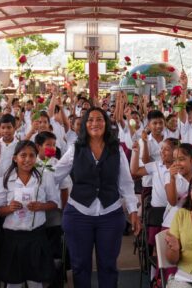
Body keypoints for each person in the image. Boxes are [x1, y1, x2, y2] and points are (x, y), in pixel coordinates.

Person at [54, 106, 140, 288]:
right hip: (78, 213)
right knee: (80, 266)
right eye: (90, 120)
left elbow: (125, 183)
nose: (95, 123)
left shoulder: (116, 149)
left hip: (110, 213)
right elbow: (55, 175)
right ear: (84, 124)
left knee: (108, 266)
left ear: (106, 123)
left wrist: (133, 210)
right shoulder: (75, 149)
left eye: (99, 119)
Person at [0, 140, 59, 288]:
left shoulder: (44, 176)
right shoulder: (5, 180)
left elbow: (54, 202)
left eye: (32, 155)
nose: (28, 159)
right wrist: (9, 208)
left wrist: (41, 206)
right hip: (13, 237)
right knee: (14, 283)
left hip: (36, 236)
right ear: (15, 158)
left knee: (35, 281)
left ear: (36, 158)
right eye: (23, 155)